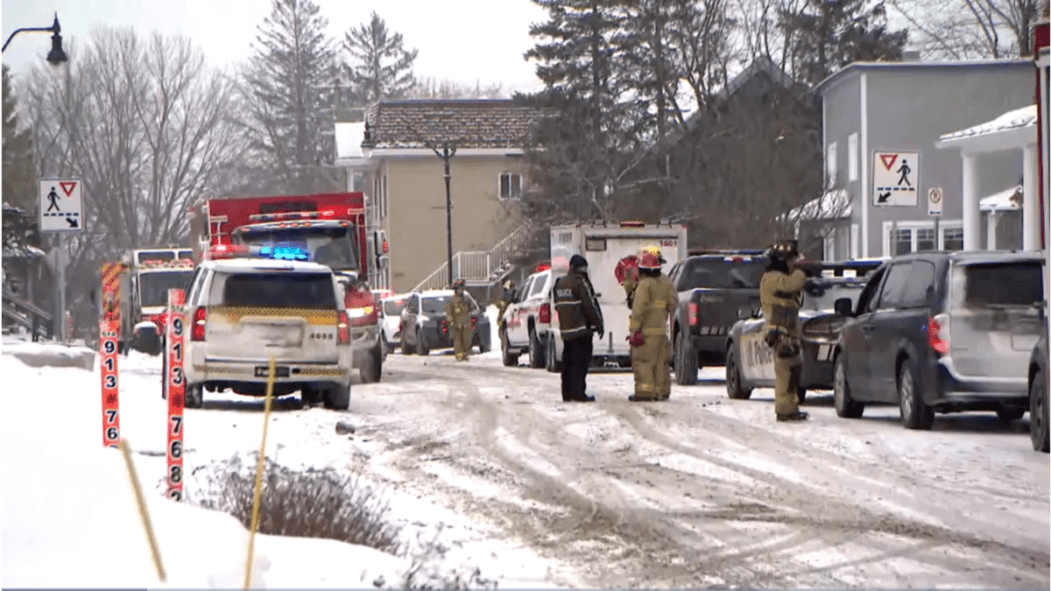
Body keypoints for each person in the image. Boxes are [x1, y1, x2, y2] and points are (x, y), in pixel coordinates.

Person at [760, 239, 809, 422]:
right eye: (790, 261)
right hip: (779, 333)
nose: (792, 265)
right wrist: (801, 270)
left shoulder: (779, 278)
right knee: (785, 374)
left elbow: (793, 293)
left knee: (792, 373)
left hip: (788, 332)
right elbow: (791, 285)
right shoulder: (773, 278)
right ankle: (784, 410)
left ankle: (790, 408)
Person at [626, 250, 678, 401]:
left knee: (643, 362)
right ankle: (661, 391)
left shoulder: (644, 285)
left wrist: (634, 330)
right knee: (661, 364)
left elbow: (638, 310)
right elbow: (672, 304)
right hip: (661, 331)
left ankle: (645, 392)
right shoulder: (666, 282)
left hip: (645, 332)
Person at [553, 254, 603, 402]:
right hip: (581, 331)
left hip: (566, 332)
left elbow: (557, 305)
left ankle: (566, 393)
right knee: (579, 364)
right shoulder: (580, 283)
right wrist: (598, 323)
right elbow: (589, 305)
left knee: (567, 363)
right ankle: (578, 393)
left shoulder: (560, 283)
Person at [445, 279, 478, 361]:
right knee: (458, 341)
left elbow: (474, 308)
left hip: (466, 324)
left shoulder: (466, 299)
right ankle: (459, 354)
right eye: (459, 289)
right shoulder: (452, 301)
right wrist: (452, 322)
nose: (461, 290)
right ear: (456, 290)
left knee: (467, 340)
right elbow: (449, 313)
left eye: (462, 288)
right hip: (456, 325)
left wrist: (472, 314)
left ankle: (466, 354)